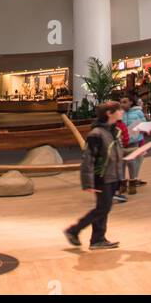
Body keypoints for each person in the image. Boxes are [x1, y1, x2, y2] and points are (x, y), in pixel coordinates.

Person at [63, 100, 126, 249]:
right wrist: (88, 183)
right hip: (102, 177)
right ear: (109, 114)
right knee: (103, 208)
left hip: (112, 175)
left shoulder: (114, 130)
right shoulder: (96, 134)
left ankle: (97, 240)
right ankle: (74, 230)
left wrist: (134, 153)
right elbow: (88, 159)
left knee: (103, 208)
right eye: (119, 110)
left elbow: (115, 153)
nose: (122, 112)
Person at [119, 93, 146, 193]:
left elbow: (143, 126)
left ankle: (132, 184)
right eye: (121, 102)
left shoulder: (138, 112)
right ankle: (122, 184)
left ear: (131, 102)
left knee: (132, 163)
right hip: (121, 143)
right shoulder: (119, 113)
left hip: (133, 142)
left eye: (125, 102)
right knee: (121, 163)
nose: (122, 104)